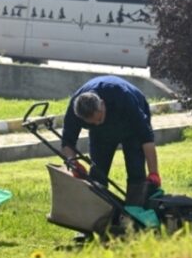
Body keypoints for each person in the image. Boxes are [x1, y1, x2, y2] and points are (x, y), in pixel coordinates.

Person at [59, 75, 160, 205]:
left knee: (136, 168)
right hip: (101, 136)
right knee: (98, 172)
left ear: (102, 103)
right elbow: (67, 142)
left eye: (99, 119)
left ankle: (135, 212)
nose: (97, 124)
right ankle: (99, 210)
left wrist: (154, 173)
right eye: (92, 123)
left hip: (131, 127)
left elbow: (146, 137)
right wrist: (74, 165)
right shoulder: (75, 111)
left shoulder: (122, 96)